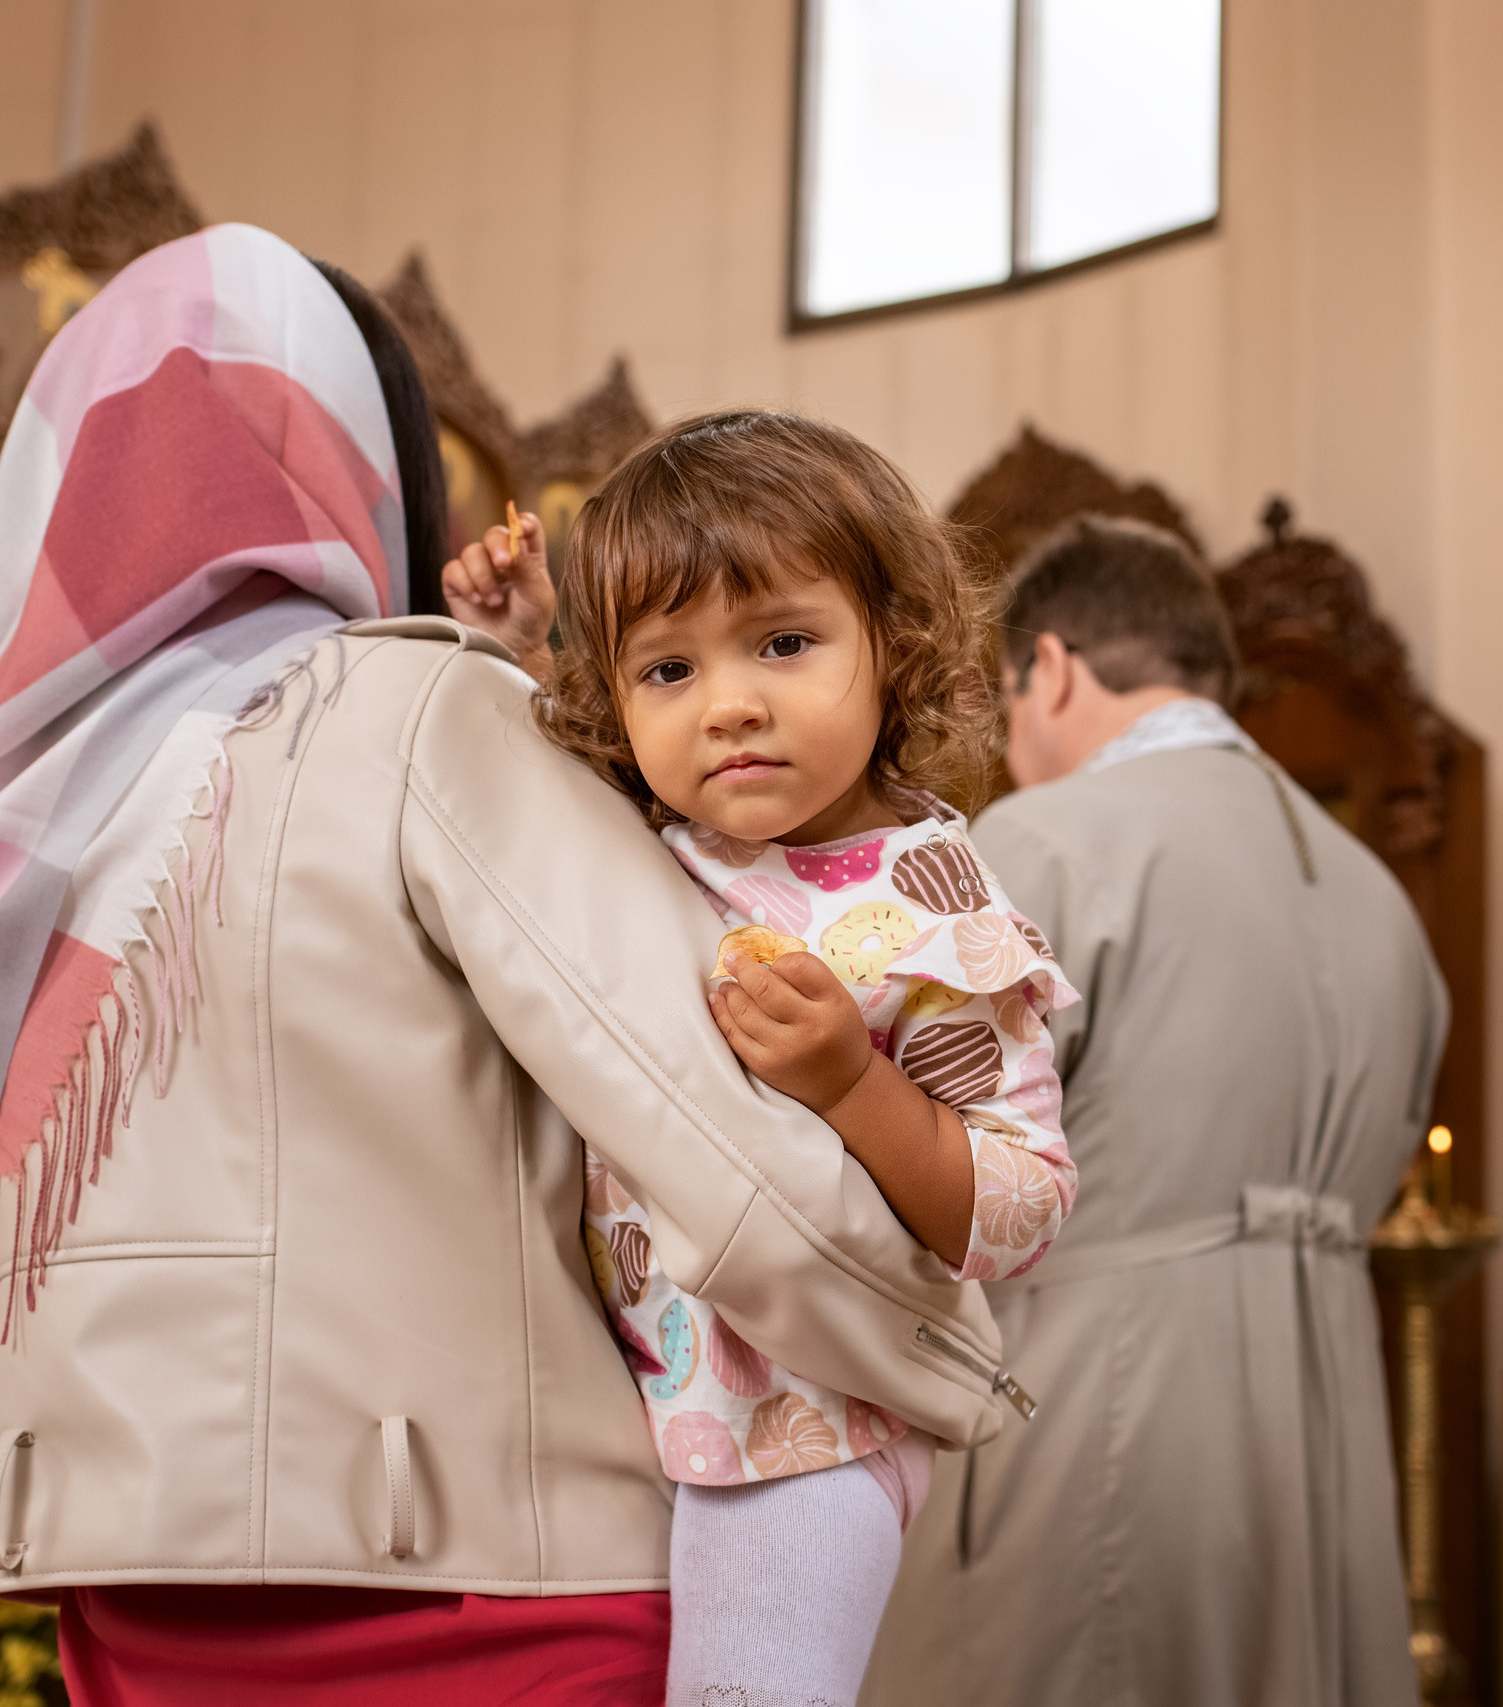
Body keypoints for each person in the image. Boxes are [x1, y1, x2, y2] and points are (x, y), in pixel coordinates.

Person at [0, 226, 1018, 1706]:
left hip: (121, 1583)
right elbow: (713, 1127)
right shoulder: (407, 710)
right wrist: (942, 1353)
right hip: (471, 1575)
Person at [454, 409, 1074, 1707]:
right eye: (665, 668)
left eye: (784, 643)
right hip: (620, 1402)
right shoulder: (651, 834)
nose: (730, 702)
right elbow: (511, 810)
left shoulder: (936, 904)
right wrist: (512, 646)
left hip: (813, 1428)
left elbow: (1023, 1206)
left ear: (893, 646)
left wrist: (857, 1082)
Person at [866, 514, 1445, 1707]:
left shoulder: (1047, 837)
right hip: (1323, 1428)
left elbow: (926, 1166)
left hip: (1089, 1415)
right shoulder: (1379, 895)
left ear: (1055, 668)